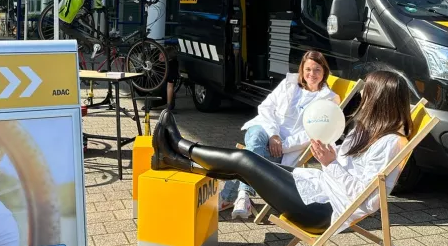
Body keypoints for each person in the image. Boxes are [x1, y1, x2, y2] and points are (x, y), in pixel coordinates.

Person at [150, 70, 412, 234]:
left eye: (367, 95)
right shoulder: (367, 130)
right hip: (317, 187)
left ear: (379, 101)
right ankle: (174, 159)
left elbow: (369, 198)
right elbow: (345, 163)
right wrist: (329, 149)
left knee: (245, 160)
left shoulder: (390, 142)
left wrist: (330, 163)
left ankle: (179, 145)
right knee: (246, 170)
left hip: (324, 211)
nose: (363, 99)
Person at [220, 50, 340, 219]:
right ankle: (243, 195)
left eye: (317, 70)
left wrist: (281, 145)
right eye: (308, 69)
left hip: (285, 148)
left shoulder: (329, 99)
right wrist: (273, 135)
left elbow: (313, 133)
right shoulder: (289, 84)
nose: (312, 74)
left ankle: (232, 197)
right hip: (266, 129)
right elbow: (266, 107)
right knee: (255, 138)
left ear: (324, 72)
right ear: (302, 70)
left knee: (247, 154)